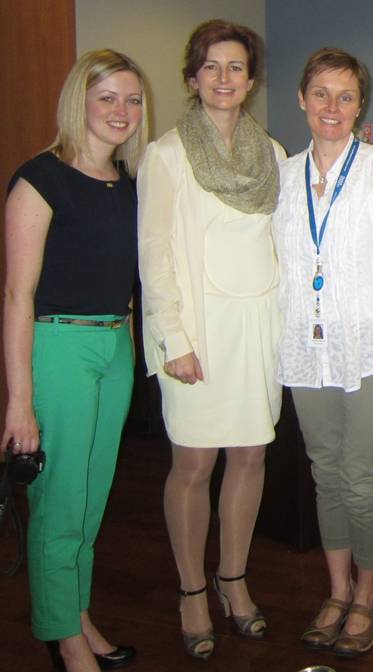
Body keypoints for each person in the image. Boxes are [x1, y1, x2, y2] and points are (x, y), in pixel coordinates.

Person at [137, 20, 285, 660]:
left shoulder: (271, 153)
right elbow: (154, 255)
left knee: (250, 456)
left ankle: (233, 578)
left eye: (236, 67)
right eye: (212, 66)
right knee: (194, 465)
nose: (224, 78)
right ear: (193, 77)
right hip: (196, 331)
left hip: (259, 328)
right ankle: (192, 589)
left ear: (251, 81)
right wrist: (172, 337)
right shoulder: (167, 155)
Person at [273, 48, 373, 657]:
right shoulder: (284, 176)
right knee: (325, 472)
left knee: (362, 479)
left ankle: (368, 593)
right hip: (307, 350)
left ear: (360, 105)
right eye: (321, 94)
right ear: (301, 100)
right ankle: (336, 590)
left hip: (372, 349)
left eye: (345, 96)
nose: (331, 107)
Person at [3, 49, 148, 672]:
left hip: (114, 346)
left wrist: (131, 350)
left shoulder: (128, 184)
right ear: (79, 102)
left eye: (133, 100)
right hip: (59, 346)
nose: (122, 111)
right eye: (107, 98)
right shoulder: (41, 179)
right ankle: (61, 635)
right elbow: (17, 295)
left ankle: (77, 613)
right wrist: (19, 402)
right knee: (60, 501)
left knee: (90, 498)